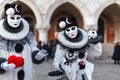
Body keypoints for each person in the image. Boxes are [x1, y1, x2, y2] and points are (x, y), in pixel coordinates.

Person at [0, 3, 47, 80]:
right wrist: (2, 64)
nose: (16, 21)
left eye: (18, 18)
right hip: (7, 75)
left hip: (25, 73)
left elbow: (33, 47)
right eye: (12, 18)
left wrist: (37, 55)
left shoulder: (27, 34)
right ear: (7, 17)